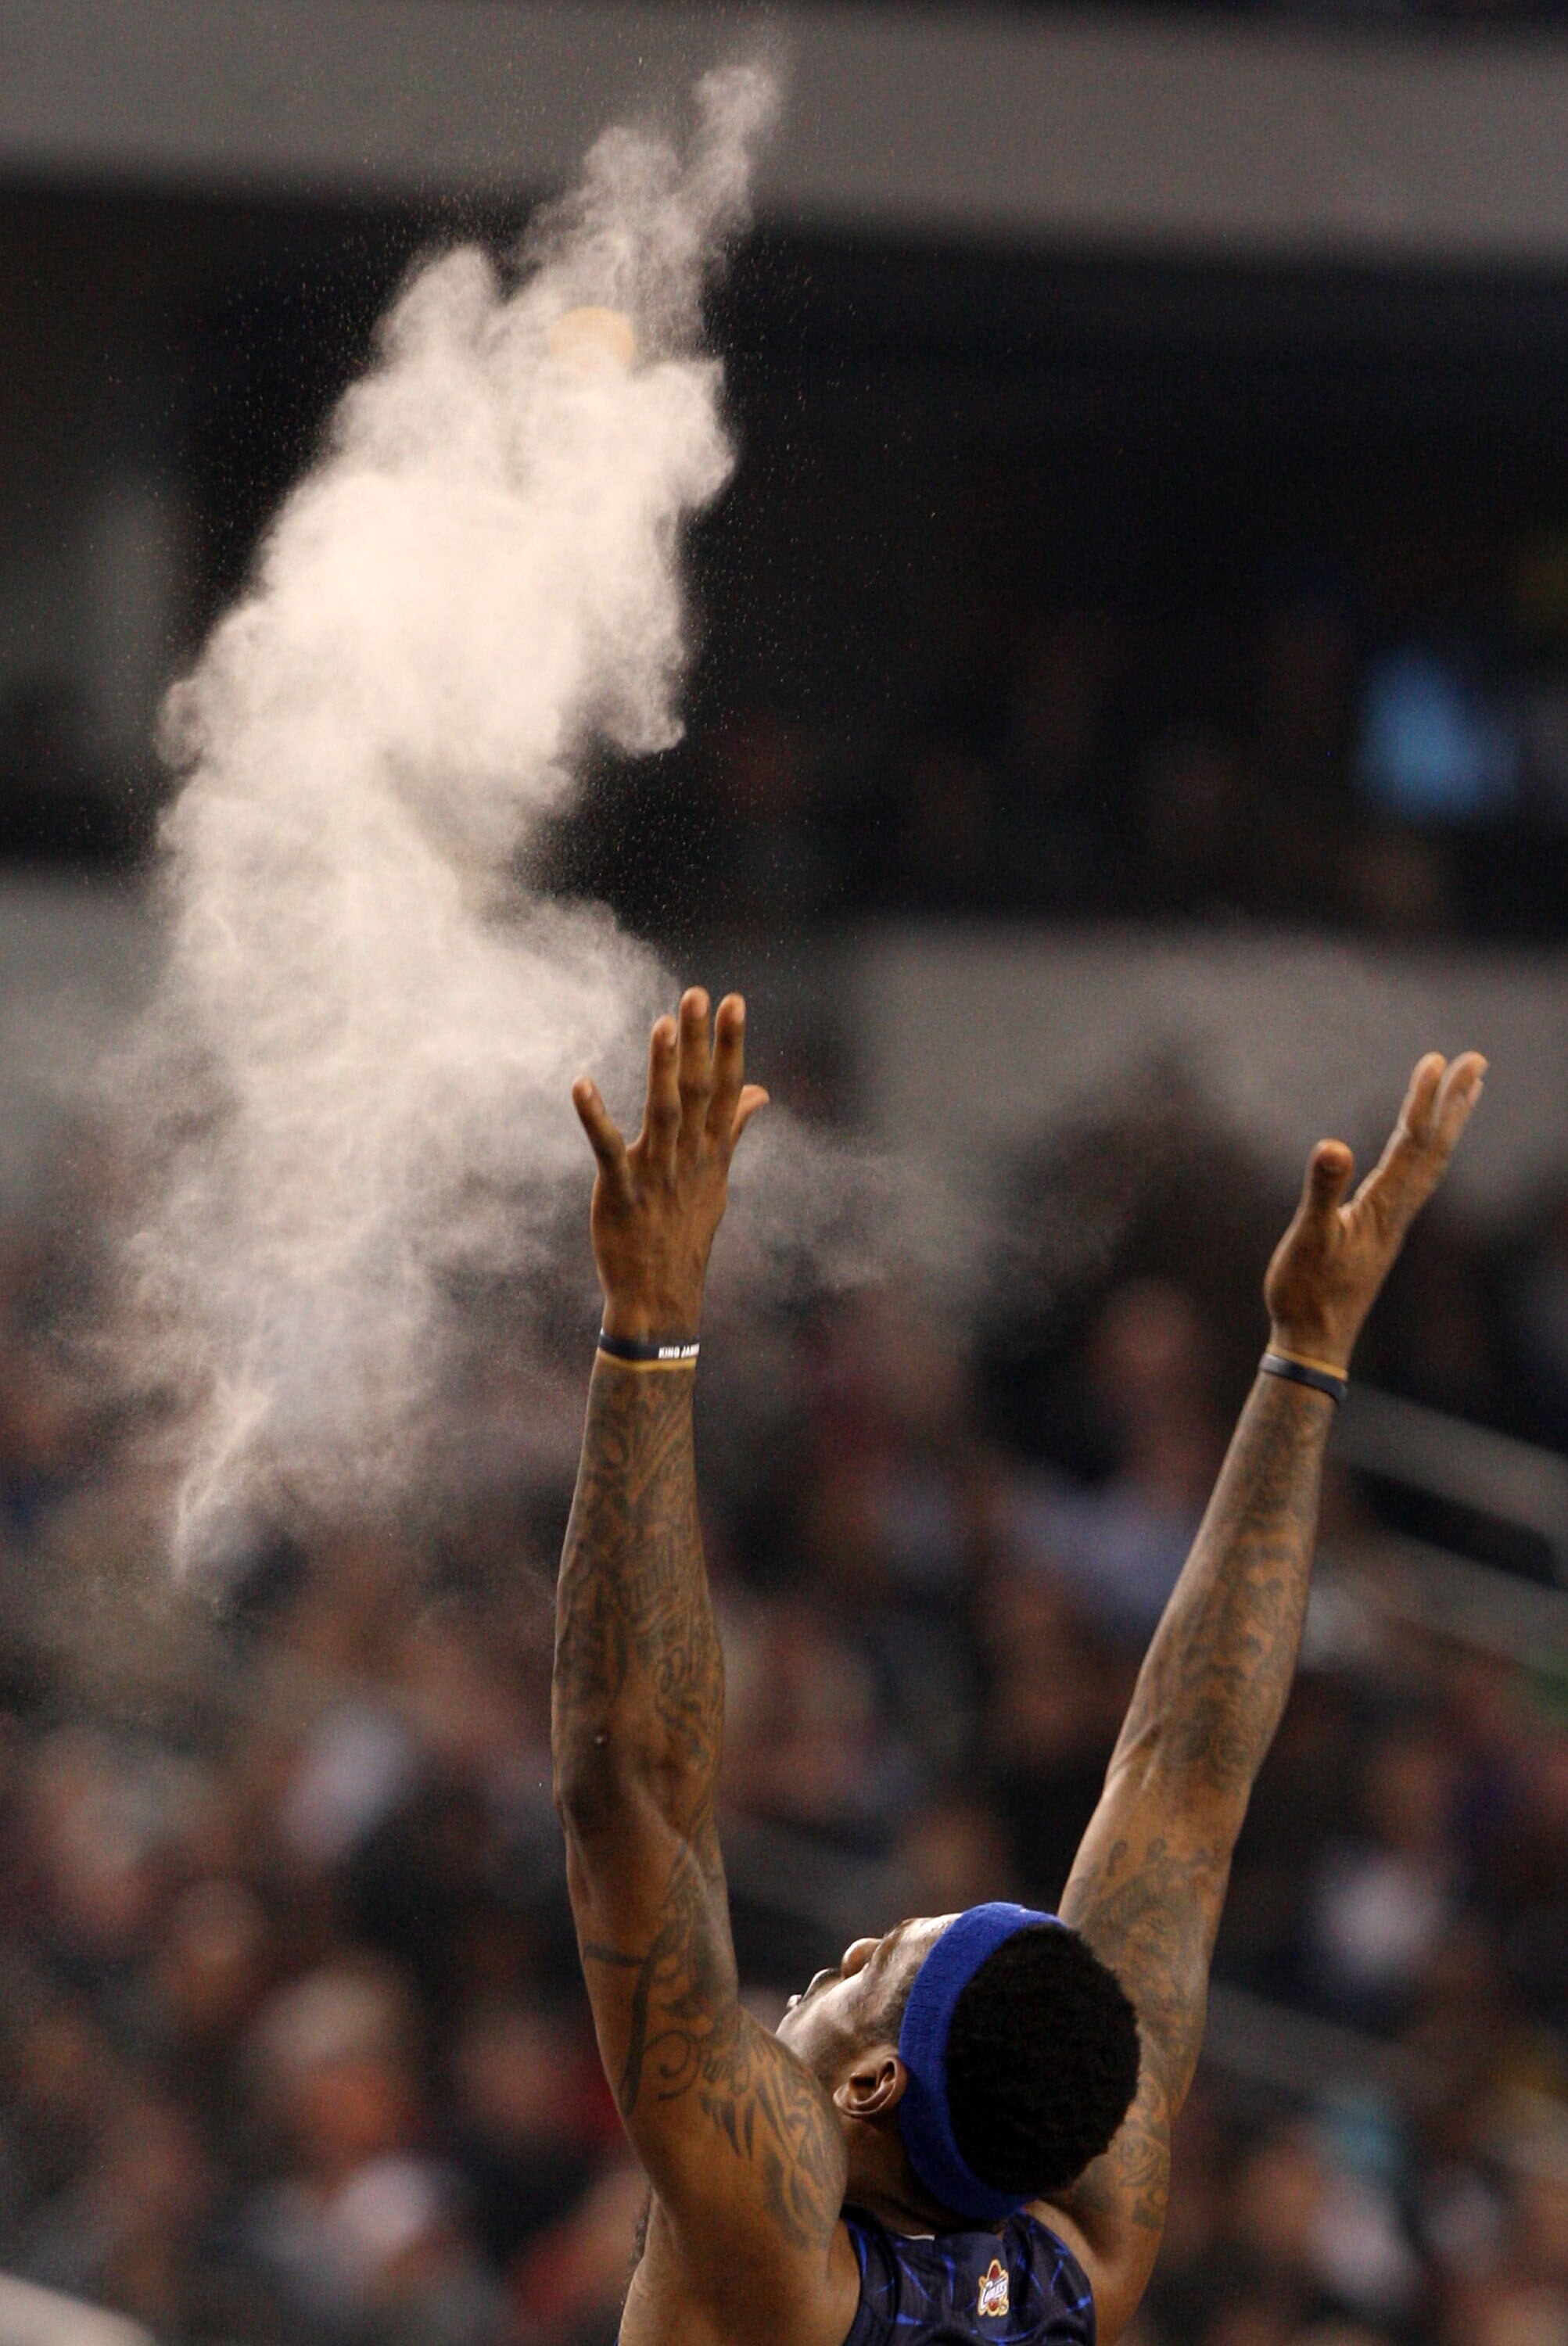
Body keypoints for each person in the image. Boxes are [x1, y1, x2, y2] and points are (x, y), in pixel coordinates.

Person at [554, 992, 1485, 2346]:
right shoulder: (1077, 2259)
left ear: (868, 2090)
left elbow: (628, 1793)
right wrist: (1302, 1364)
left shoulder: (772, 2257)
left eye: (869, 1969)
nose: (846, 1954)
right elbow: (1184, 1778)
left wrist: (650, 1325)